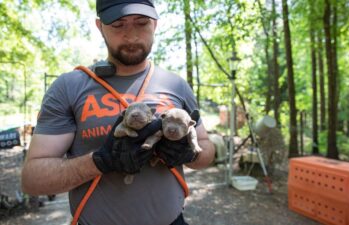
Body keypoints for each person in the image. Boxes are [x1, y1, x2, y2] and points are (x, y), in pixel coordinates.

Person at [21, 0, 215, 225]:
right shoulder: (69, 86)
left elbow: (206, 147)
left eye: (141, 23)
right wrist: (100, 161)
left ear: (155, 24)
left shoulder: (176, 85)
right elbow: (32, 180)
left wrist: (191, 154)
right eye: (118, 24)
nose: (131, 36)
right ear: (99, 26)